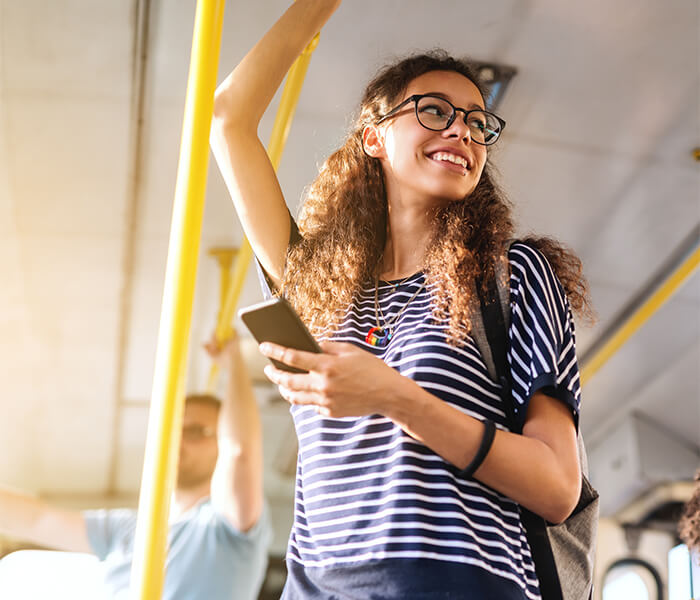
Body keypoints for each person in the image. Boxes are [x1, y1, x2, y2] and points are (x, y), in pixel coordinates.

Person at [211, 1, 593, 598]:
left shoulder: (510, 275)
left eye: (476, 122)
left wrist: (395, 397)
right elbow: (230, 118)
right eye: (435, 111)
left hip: (457, 585)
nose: (462, 130)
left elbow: (555, 485)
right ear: (373, 136)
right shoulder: (315, 282)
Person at [0, 334, 270, 600]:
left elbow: (239, 452)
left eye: (197, 431)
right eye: (175, 431)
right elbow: (37, 520)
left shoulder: (224, 528)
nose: (179, 441)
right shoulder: (133, 529)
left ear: (220, 441)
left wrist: (234, 362)